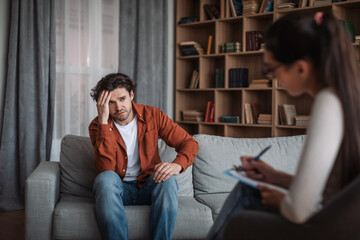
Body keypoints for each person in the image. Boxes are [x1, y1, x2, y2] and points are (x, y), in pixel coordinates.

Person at [206, 11, 360, 240]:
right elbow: (336, 190)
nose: (271, 77)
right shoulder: (347, 97)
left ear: (301, 68)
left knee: (245, 200)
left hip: (324, 230)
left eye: (271, 68)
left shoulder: (328, 103)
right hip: (335, 223)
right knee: (250, 189)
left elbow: (298, 211)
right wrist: (275, 176)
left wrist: (280, 202)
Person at [88, 73, 199, 240]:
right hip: (119, 190)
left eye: (123, 99)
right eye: (111, 102)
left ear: (132, 95)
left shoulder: (152, 115)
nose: (118, 107)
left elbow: (189, 143)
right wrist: (104, 121)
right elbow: (106, 169)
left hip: (148, 185)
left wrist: (177, 165)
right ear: (102, 105)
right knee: (105, 179)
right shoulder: (97, 126)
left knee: (168, 179)